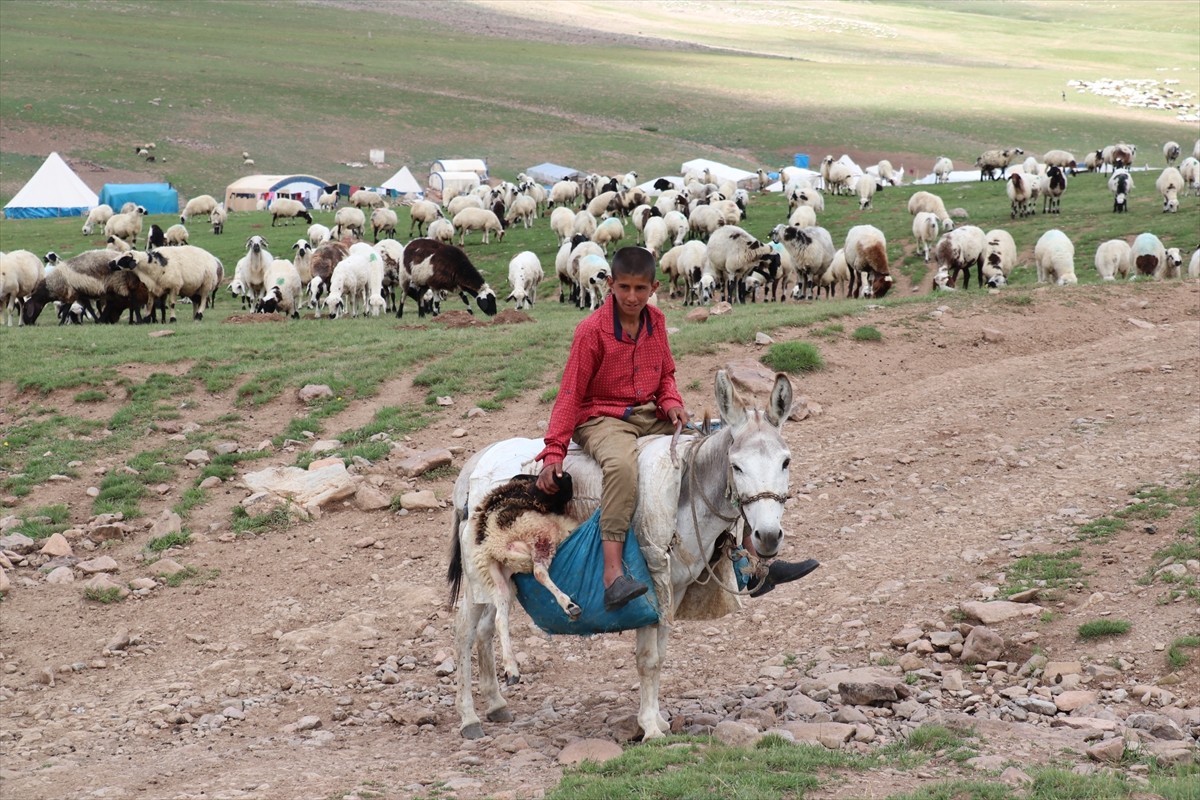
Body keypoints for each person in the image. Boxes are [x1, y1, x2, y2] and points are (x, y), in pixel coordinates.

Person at [535, 247, 818, 611]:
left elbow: (666, 374)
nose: (632, 297)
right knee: (621, 468)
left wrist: (670, 402)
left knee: (727, 450)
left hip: (649, 412)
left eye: (640, 289)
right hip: (601, 417)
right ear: (610, 285)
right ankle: (612, 574)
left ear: (653, 287)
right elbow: (571, 392)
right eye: (624, 288)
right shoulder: (591, 331)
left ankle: (753, 564)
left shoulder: (656, 322)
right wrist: (554, 451)